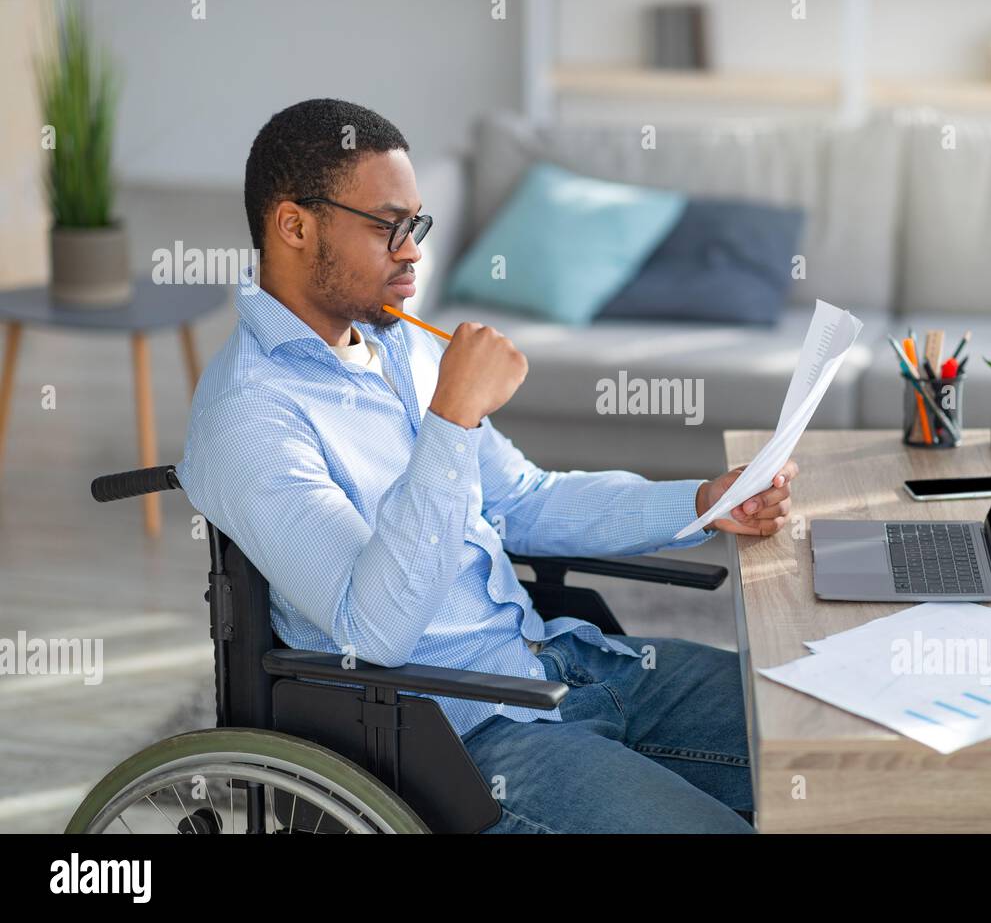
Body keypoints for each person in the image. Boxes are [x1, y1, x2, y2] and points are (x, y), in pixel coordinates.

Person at [176, 98, 798, 832]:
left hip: (561, 666)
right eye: (387, 226)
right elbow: (374, 631)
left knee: (829, 732)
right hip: (466, 742)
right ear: (293, 225)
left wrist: (700, 501)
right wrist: (452, 418)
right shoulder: (251, 414)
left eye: (416, 225)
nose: (412, 251)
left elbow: (523, 499)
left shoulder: (398, 342)